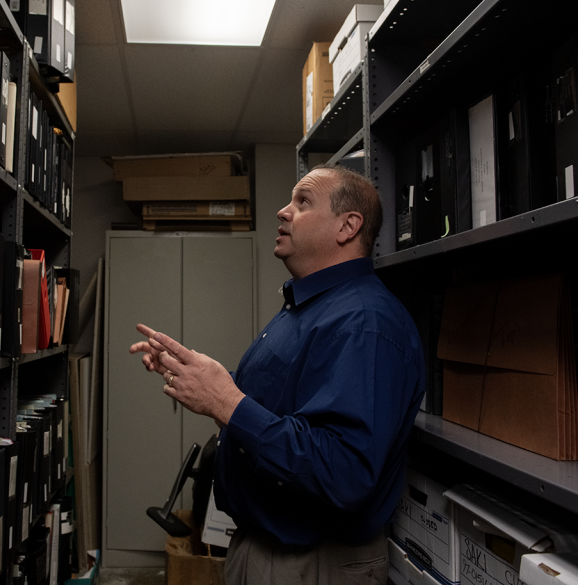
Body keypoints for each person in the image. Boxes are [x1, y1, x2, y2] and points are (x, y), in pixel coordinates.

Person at [130, 164, 425, 585]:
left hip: (311, 564)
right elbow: (277, 409)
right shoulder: (311, 308)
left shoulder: (365, 324)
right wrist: (199, 379)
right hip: (261, 547)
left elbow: (343, 472)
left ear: (348, 225)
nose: (283, 212)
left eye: (302, 201)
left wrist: (226, 402)